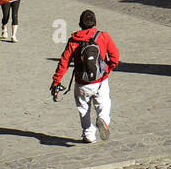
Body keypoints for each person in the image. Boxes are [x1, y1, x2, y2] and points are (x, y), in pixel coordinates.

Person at [51, 9, 120, 144]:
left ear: (80, 24)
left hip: (81, 82)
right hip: (100, 81)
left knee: (83, 108)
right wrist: (108, 69)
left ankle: (88, 134)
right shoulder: (103, 36)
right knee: (103, 104)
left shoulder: (74, 40)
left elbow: (64, 61)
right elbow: (115, 57)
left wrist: (56, 81)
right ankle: (103, 120)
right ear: (95, 23)